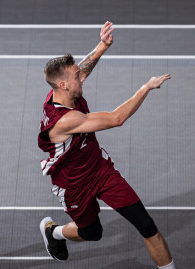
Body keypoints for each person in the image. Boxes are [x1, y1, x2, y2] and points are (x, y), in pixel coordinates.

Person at [38, 22, 175, 268]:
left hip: (100, 171)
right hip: (73, 184)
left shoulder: (64, 92)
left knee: (146, 225)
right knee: (92, 233)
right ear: (63, 86)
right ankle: (53, 232)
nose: (82, 75)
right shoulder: (66, 119)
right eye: (76, 76)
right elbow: (116, 119)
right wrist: (146, 87)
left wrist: (102, 45)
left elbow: (84, 69)